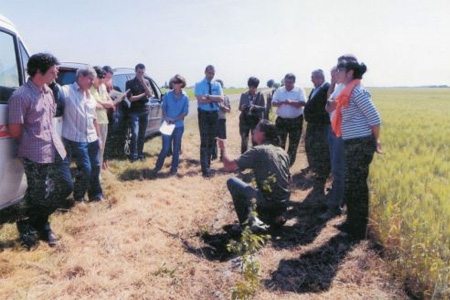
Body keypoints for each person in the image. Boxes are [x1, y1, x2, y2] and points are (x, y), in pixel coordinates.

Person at [8, 53, 73, 249]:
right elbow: (15, 129)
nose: (56, 73)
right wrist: (29, 143)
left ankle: (29, 222)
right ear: (39, 71)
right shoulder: (20, 95)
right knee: (39, 193)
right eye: (53, 70)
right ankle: (42, 227)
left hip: (55, 148)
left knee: (65, 186)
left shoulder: (49, 92)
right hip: (34, 152)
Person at [329, 59, 382, 240]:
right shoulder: (346, 92)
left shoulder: (357, 92)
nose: (336, 72)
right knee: (352, 184)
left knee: (358, 186)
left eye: (340, 69)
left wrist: (375, 140)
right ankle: (351, 223)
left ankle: (359, 230)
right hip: (351, 143)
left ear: (350, 72)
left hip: (360, 144)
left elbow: (375, 119)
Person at [217, 120, 291, 229]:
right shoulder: (282, 152)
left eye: (255, 129)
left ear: (262, 134)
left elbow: (228, 166)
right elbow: (289, 180)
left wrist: (223, 148)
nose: (253, 132)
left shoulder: (258, 150)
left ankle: (246, 225)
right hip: (283, 205)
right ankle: (276, 217)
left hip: (268, 203)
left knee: (232, 182)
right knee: (256, 190)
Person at [321, 55, 358, 219]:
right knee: (336, 168)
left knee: (339, 169)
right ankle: (337, 199)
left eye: (340, 68)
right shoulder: (339, 85)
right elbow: (328, 102)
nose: (337, 70)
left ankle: (335, 206)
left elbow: (330, 106)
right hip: (333, 129)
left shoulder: (350, 87)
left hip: (341, 131)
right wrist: (333, 81)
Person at [61, 66, 103, 203]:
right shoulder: (66, 91)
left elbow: (94, 118)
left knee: (96, 167)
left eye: (93, 79)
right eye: (90, 79)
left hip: (92, 138)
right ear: (80, 77)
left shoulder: (90, 96)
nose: (92, 82)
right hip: (76, 139)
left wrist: (99, 137)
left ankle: (96, 195)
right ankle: (78, 197)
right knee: (85, 168)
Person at [153, 74, 189, 176]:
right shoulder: (168, 95)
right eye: (173, 82)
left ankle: (174, 169)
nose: (174, 84)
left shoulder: (185, 97)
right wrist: (166, 118)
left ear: (181, 84)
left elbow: (185, 113)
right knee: (165, 148)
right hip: (167, 125)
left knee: (176, 148)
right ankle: (158, 166)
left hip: (178, 126)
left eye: (176, 82)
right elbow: (163, 108)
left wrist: (175, 119)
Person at [304, 69, 331, 194]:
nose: (311, 79)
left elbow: (326, 109)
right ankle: (316, 174)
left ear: (320, 78)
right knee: (311, 149)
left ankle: (321, 179)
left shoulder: (327, 88)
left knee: (320, 152)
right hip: (313, 125)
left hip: (320, 127)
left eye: (313, 77)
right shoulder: (316, 89)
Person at [271, 73, 307, 166]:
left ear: (294, 82)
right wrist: (281, 102)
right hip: (281, 121)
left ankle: (288, 165)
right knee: (279, 143)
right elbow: (273, 103)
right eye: (286, 82)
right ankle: (280, 164)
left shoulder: (299, 90)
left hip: (296, 121)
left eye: (290, 82)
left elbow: (303, 103)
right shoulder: (279, 90)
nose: (287, 84)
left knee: (293, 145)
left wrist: (292, 102)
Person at [194, 65, 224, 177]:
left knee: (212, 140)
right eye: (209, 73)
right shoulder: (199, 84)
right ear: (205, 72)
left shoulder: (217, 85)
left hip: (214, 114)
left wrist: (208, 96)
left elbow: (221, 98)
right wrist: (213, 98)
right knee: (204, 141)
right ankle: (205, 169)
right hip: (203, 115)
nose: (211, 75)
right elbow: (200, 101)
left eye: (213, 73)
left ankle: (208, 164)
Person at [125, 63, 153, 162]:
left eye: (142, 72)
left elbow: (150, 95)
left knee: (142, 134)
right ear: (135, 71)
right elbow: (131, 99)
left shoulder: (147, 82)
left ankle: (140, 154)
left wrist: (144, 84)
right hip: (134, 111)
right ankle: (134, 155)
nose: (140, 74)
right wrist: (144, 94)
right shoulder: (129, 83)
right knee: (135, 134)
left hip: (144, 110)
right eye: (139, 72)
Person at [90, 66, 114, 172]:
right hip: (94, 122)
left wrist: (103, 104)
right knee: (94, 150)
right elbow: (95, 105)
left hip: (104, 120)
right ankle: (93, 173)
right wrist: (105, 104)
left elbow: (110, 101)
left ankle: (97, 173)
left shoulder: (103, 86)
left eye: (103, 78)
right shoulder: (89, 88)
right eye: (100, 78)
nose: (102, 81)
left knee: (101, 149)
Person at [238, 77, 266, 154]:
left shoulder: (260, 95)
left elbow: (264, 108)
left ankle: (255, 158)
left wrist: (254, 107)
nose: (252, 89)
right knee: (244, 140)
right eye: (250, 87)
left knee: (255, 140)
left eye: (254, 87)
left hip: (256, 120)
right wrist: (243, 107)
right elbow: (239, 108)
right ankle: (243, 158)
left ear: (256, 87)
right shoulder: (244, 95)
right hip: (245, 120)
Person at [213, 79, 230, 160]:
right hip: (212, 120)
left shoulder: (225, 97)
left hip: (221, 119)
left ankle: (222, 156)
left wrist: (222, 106)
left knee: (222, 138)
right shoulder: (212, 97)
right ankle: (213, 155)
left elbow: (229, 110)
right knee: (213, 138)